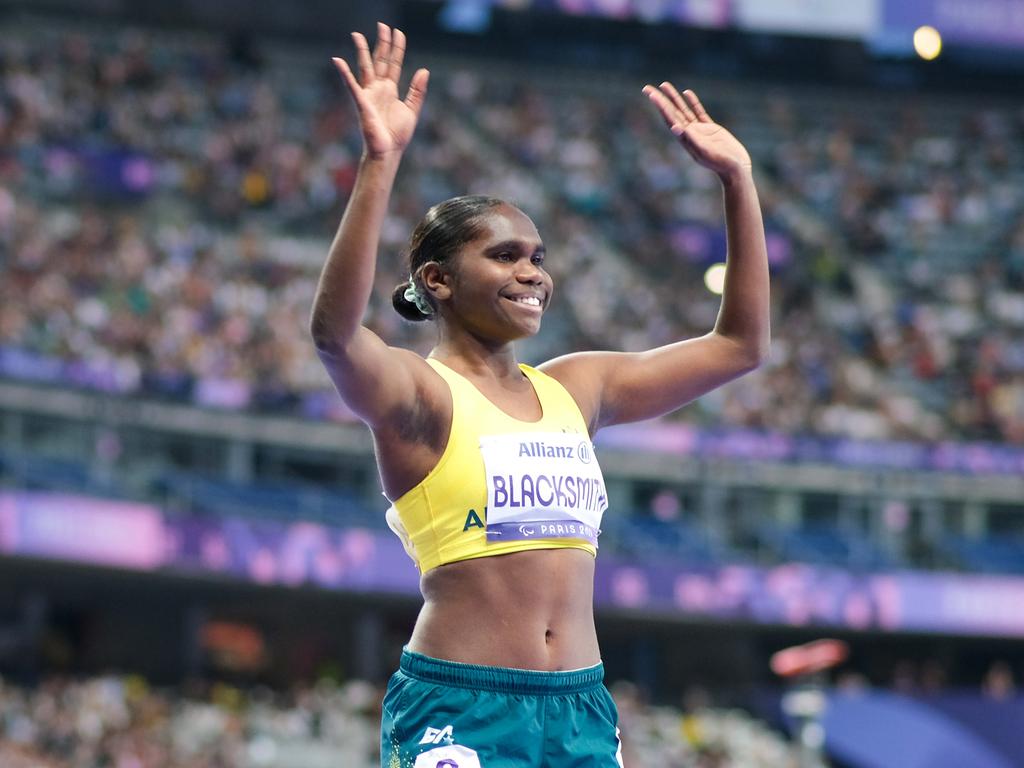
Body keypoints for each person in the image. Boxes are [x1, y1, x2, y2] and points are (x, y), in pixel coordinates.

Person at [310, 22, 769, 768]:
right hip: (460, 706)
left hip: (582, 708)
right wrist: (379, 162)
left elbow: (739, 346)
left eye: (538, 257)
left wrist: (738, 182)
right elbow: (335, 337)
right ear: (438, 280)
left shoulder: (576, 387)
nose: (533, 273)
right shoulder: (421, 398)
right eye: (504, 255)